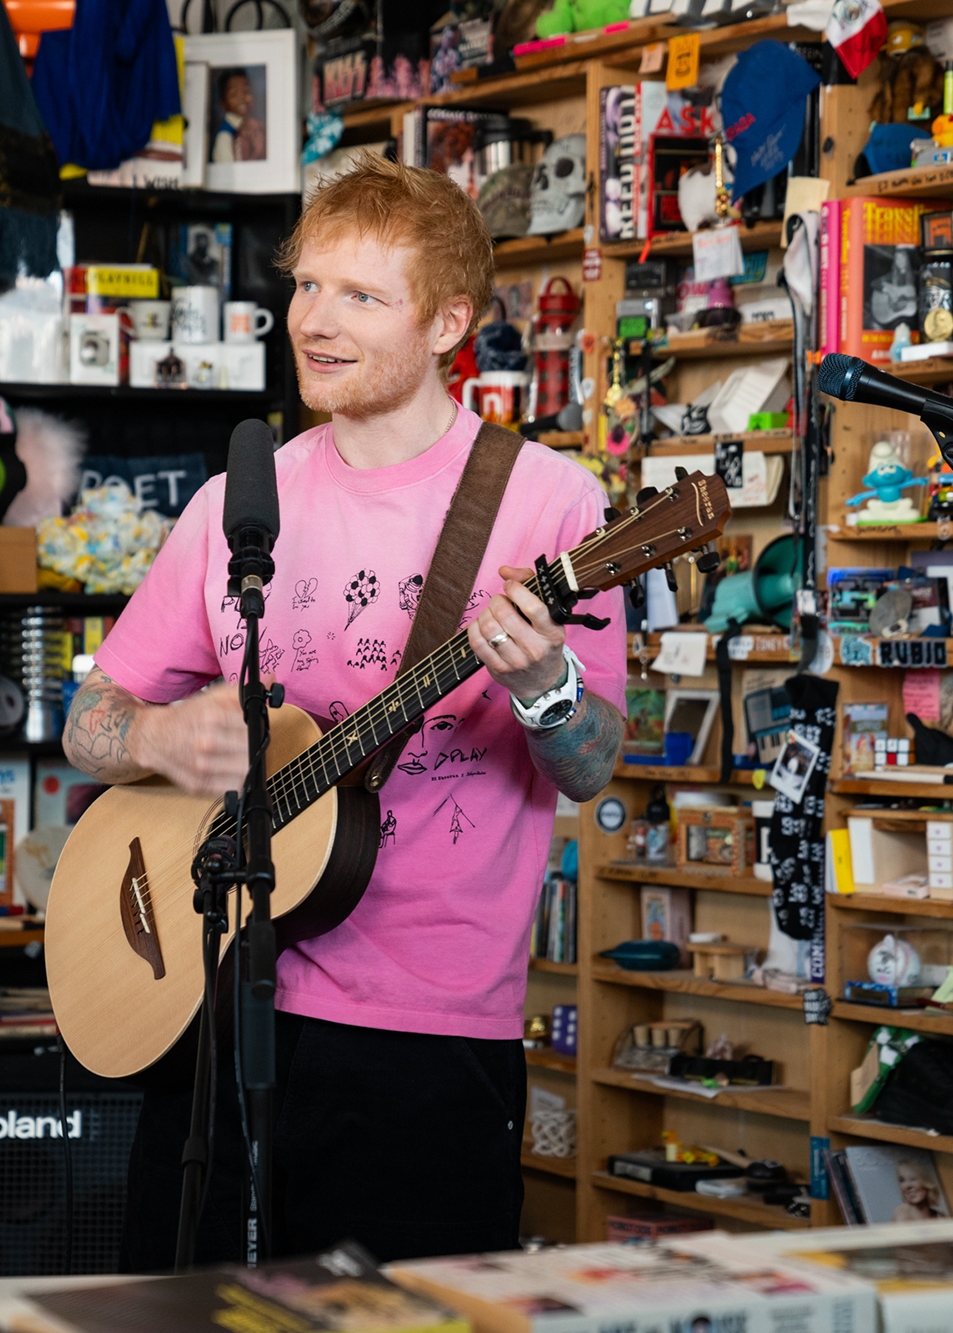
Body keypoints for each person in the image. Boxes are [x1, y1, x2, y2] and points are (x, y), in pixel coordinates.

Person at [62, 154, 625, 1267]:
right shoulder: (237, 501)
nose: (315, 321)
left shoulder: (548, 502)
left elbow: (591, 761)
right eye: (308, 285)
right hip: (209, 1004)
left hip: (424, 1042)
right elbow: (90, 719)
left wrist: (541, 684)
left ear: (447, 321)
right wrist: (157, 735)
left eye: (361, 296)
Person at [212, 67, 267, 163]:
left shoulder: (255, 126)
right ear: (223, 103)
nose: (241, 98)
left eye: (246, 91)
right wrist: (258, 152)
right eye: (234, 94)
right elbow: (228, 169)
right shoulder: (225, 136)